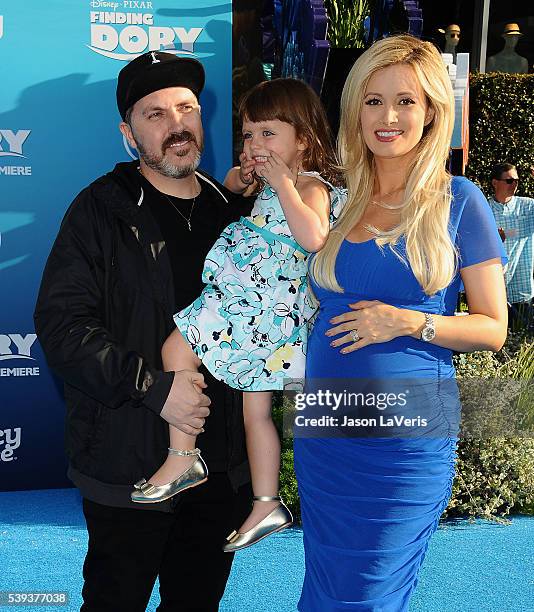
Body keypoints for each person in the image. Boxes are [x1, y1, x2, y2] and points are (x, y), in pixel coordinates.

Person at [34, 51, 255, 612]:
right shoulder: (98, 211)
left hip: (221, 467)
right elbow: (62, 328)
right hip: (125, 462)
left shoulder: (234, 212)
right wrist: (156, 389)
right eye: (154, 114)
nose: (176, 124)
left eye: (186, 108)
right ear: (128, 134)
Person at [293, 35, 508, 611]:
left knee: (366, 597)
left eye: (406, 101)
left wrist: (408, 322)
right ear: (354, 110)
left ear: (433, 111)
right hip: (325, 433)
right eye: (373, 100)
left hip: (406, 441)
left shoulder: (458, 201)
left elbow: (493, 327)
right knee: (324, 591)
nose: (388, 117)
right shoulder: (336, 202)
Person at [130, 78, 344, 552]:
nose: (255, 144)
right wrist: (243, 179)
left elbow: (313, 237)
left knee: (183, 353)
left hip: (266, 313)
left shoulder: (311, 187)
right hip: (242, 305)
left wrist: (284, 181)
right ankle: (265, 501)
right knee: (250, 408)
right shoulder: (267, 182)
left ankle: (187, 457)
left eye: (269, 134)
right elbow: (227, 193)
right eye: (248, 135)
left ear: (303, 139)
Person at [488, 162, 534, 330]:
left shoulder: (528, 207)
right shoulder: (484, 210)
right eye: (509, 180)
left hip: (521, 292)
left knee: (521, 345)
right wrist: (493, 240)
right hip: (492, 293)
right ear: (495, 183)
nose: (514, 184)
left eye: (516, 180)